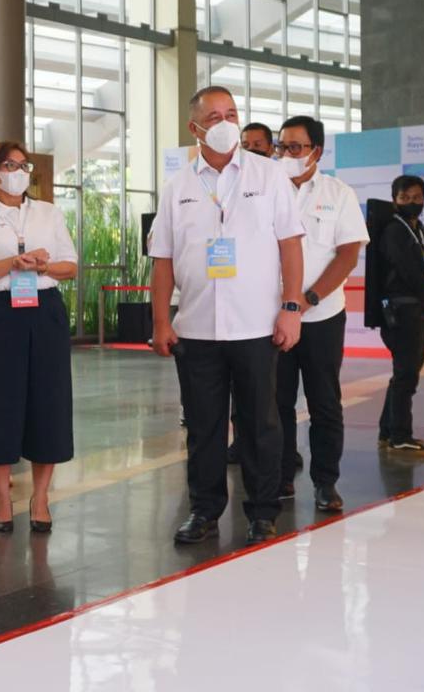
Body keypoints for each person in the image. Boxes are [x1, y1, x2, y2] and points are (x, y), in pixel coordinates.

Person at [149, 85, 305, 547]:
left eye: (232, 113)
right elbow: (162, 259)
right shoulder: (178, 187)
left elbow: (290, 243)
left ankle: (263, 510)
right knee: (204, 427)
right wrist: (161, 322)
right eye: (214, 116)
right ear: (195, 128)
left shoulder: (268, 174)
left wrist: (291, 307)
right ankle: (204, 510)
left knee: (261, 423)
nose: (225, 123)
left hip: (256, 325)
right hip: (196, 328)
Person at [0, 140, 77, 532]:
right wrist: (13, 262)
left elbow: (70, 267)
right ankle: (3, 499)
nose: (19, 171)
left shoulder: (48, 213)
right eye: (10, 164)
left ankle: (41, 498)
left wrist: (42, 266)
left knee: (49, 402)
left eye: (24, 165)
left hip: (45, 311)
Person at [274, 116, 369, 512]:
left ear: (317, 151)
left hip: (322, 316)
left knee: (324, 403)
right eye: (282, 147)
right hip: (272, 317)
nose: (287, 155)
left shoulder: (337, 192)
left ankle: (325, 482)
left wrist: (306, 299)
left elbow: (348, 254)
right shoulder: (265, 191)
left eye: (296, 147)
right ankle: (279, 478)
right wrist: (286, 306)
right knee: (273, 404)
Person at [375, 175, 424, 454]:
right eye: (405, 198)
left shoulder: (419, 229)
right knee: (406, 375)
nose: (412, 203)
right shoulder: (395, 230)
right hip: (400, 311)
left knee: (404, 373)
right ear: (395, 200)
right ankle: (401, 436)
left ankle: (388, 430)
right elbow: (409, 272)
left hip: (415, 309)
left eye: (417, 198)